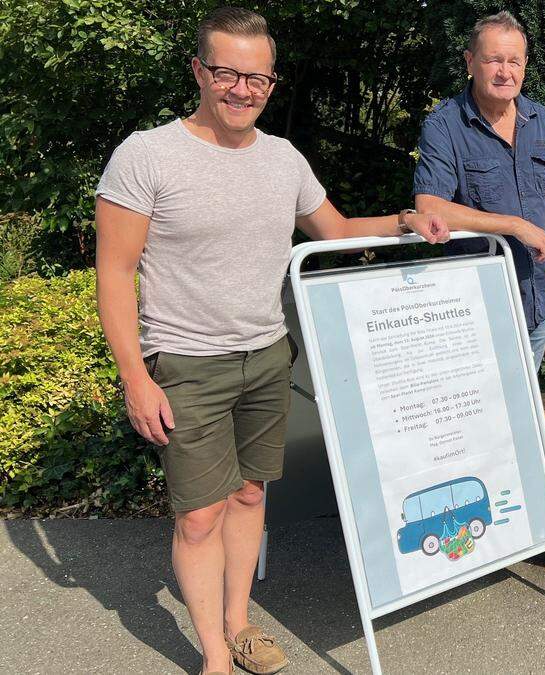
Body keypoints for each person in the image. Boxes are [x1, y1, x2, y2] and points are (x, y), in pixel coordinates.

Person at [94, 8, 448, 674]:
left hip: (266, 355)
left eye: (257, 77)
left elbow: (334, 228)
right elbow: (114, 273)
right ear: (199, 71)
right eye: (227, 72)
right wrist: (135, 378)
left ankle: (238, 624)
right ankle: (213, 658)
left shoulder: (283, 159)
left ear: (272, 83)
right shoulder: (146, 155)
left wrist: (405, 218)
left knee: (251, 495)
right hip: (186, 363)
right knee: (198, 517)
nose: (242, 89)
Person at [413, 10, 545, 365]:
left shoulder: (543, 121)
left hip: (534, 301)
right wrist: (515, 226)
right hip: (476, 310)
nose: (506, 71)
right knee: (480, 415)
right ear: (470, 62)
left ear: (525, 65)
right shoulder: (444, 126)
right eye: (494, 60)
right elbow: (430, 207)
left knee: (522, 411)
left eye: (514, 61)